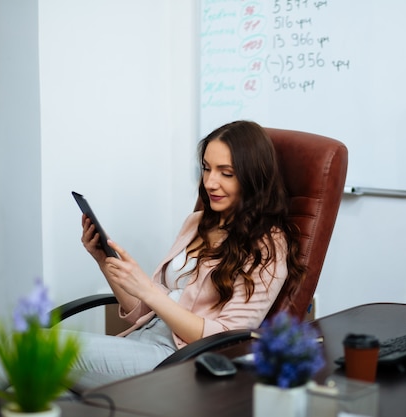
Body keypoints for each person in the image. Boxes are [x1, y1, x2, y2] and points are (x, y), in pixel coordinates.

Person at [72, 120, 306, 389]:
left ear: (253, 178)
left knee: (30, 348)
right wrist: (104, 261)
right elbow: (143, 314)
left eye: (225, 173)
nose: (210, 182)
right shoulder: (196, 222)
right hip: (143, 338)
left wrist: (148, 290)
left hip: (180, 358)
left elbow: (229, 338)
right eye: (206, 169)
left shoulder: (268, 247)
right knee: (41, 379)